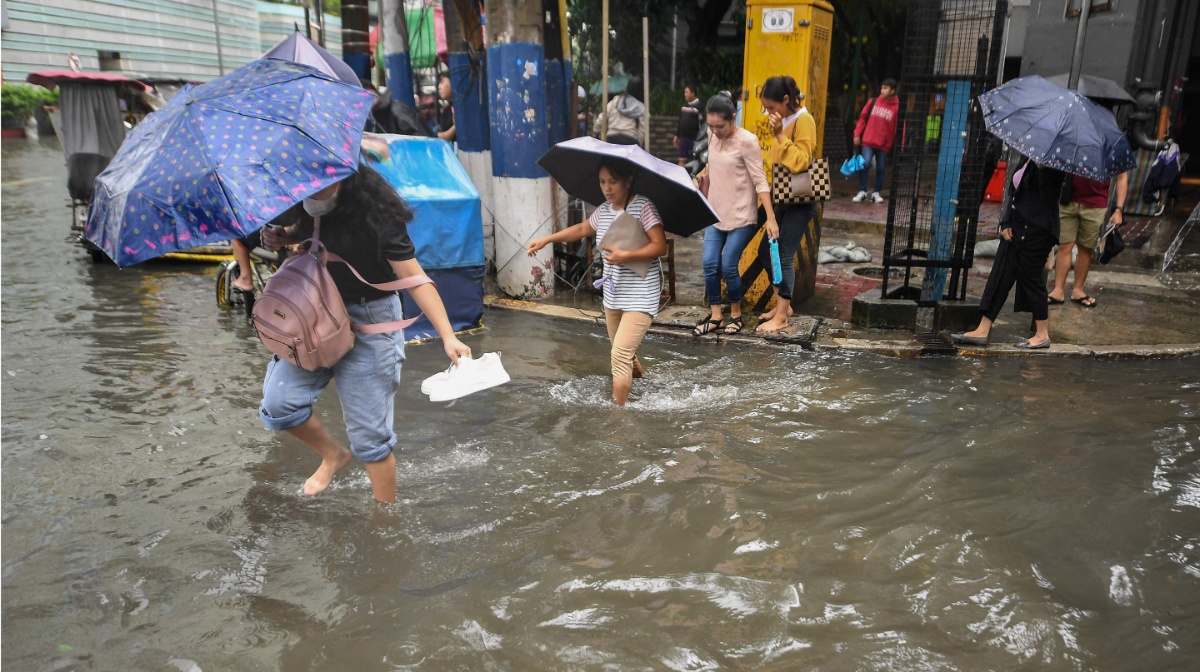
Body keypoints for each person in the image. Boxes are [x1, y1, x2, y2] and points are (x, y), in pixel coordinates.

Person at [258, 165, 472, 503]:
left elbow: (415, 278)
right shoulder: (300, 201)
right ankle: (332, 454)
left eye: (320, 185)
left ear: (341, 176)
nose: (312, 190)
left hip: (371, 321)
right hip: (314, 316)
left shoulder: (377, 214)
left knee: (370, 440)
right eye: (307, 184)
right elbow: (312, 235)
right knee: (279, 404)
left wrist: (448, 335)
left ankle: (385, 519)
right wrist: (285, 238)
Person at [526, 159, 667, 406]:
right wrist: (547, 239)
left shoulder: (643, 207)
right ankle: (645, 387)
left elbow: (660, 246)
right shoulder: (603, 211)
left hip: (642, 292)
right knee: (623, 352)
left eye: (613, 181)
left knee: (619, 355)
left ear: (628, 181)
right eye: (602, 182)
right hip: (614, 292)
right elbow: (582, 229)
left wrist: (627, 256)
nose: (607, 188)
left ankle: (618, 414)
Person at [953, 159, 1066, 349]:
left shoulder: (1054, 164)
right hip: (1015, 227)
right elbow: (1014, 192)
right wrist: (1005, 222)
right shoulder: (1027, 157)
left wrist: (1041, 167)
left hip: (1037, 231)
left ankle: (1042, 334)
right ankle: (983, 328)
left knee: (1030, 278)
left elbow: (1046, 197)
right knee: (1000, 276)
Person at [693, 94, 778, 336]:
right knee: (709, 263)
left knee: (728, 263)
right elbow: (712, 166)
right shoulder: (712, 135)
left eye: (720, 126)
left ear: (732, 118)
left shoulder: (747, 141)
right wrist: (701, 177)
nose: (715, 131)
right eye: (711, 126)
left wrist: (770, 218)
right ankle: (716, 316)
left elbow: (760, 180)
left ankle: (736, 315)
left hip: (741, 215)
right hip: (715, 212)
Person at [756, 76, 817, 334]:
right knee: (765, 251)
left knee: (782, 254)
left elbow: (802, 161)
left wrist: (780, 134)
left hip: (800, 200)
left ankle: (781, 316)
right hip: (782, 195)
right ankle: (784, 305)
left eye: (771, 107)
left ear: (785, 100)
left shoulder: (804, 120)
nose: (769, 112)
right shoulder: (784, 120)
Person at [1049, 171, 1129, 308]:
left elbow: (1122, 176)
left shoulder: (1111, 155)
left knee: (1086, 248)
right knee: (1064, 246)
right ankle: (1058, 290)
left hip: (1096, 204)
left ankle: (1078, 290)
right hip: (1068, 198)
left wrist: (1119, 209)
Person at [851, 78, 900, 204]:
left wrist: (891, 143)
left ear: (892, 91)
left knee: (881, 168)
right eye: (882, 87)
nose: (882, 90)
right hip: (868, 140)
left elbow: (896, 127)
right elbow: (862, 118)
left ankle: (876, 192)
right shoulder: (873, 102)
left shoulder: (896, 107)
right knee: (865, 163)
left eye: (886, 88)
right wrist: (857, 134)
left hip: (883, 144)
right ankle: (862, 191)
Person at [673, 85, 703, 167]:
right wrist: (676, 135)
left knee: (695, 160)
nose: (685, 94)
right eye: (684, 92)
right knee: (681, 160)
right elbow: (680, 122)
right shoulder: (684, 106)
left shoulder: (700, 106)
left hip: (695, 138)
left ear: (693, 93)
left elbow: (703, 123)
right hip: (683, 138)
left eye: (687, 92)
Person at [436, 73, 456, 142]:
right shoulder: (446, 110)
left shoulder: (461, 107)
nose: (439, 87)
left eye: (442, 82)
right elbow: (442, 136)